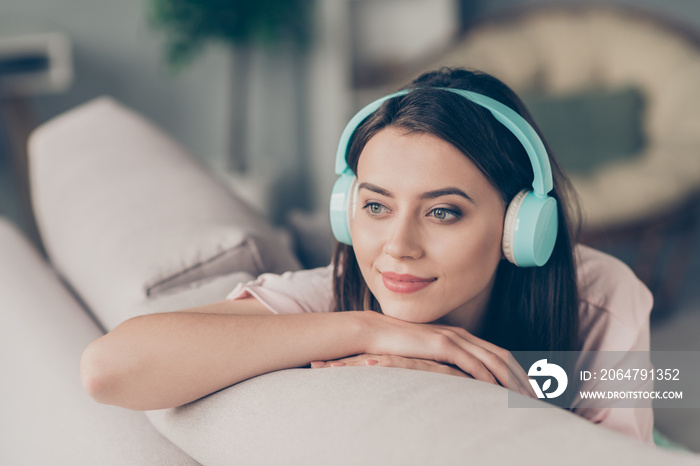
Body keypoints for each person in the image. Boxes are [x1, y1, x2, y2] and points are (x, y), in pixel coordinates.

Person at [80, 68, 653, 444]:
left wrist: (506, 399)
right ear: (345, 210)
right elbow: (108, 370)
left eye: (443, 212)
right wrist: (369, 330)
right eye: (376, 207)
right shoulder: (330, 294)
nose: (397, 248)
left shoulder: (604, 299)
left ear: (521, 227)